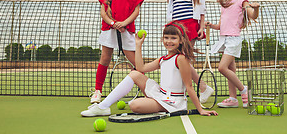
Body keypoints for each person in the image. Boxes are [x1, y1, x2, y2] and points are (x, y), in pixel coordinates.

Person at [81, 21, 218, 117]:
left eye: (173, 38)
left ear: (181, 40)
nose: (169, 41)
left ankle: (151, 104)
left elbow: (189, 87)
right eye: (166, 37)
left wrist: (200, 110)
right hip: (161, 93)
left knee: (135, 105)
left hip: (173, 102)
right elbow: (141, 68)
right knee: (135, 73)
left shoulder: (181, 59)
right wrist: (138, 45)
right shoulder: (163, 59)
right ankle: (103, 107)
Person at [89, 0, 144, 104]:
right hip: (109, 30)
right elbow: (103, 13)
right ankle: (97, 91)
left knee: (137, 63)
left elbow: (136, 11)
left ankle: (147, 90)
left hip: (127, 30)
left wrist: (124, 23)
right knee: (105, 59)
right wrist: (113, 24)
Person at [166, 0, 213, 103]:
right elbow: (172, 6)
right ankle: (195, 88)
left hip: (190, 25)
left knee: (184, 60)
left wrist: (201, 26)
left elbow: (201, 5)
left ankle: (201, 88)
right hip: (175, 26)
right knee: (176, 59)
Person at [207, 0, 260, 108]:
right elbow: (220, 26)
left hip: (233, 40)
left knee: (222, 68)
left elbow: (253, 16)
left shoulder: (242, 1)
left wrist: (256, 9)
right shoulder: (224, 4)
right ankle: (233, 99)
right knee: (231, 70)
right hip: (223, 39)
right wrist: (211, 25)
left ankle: (243, 89)